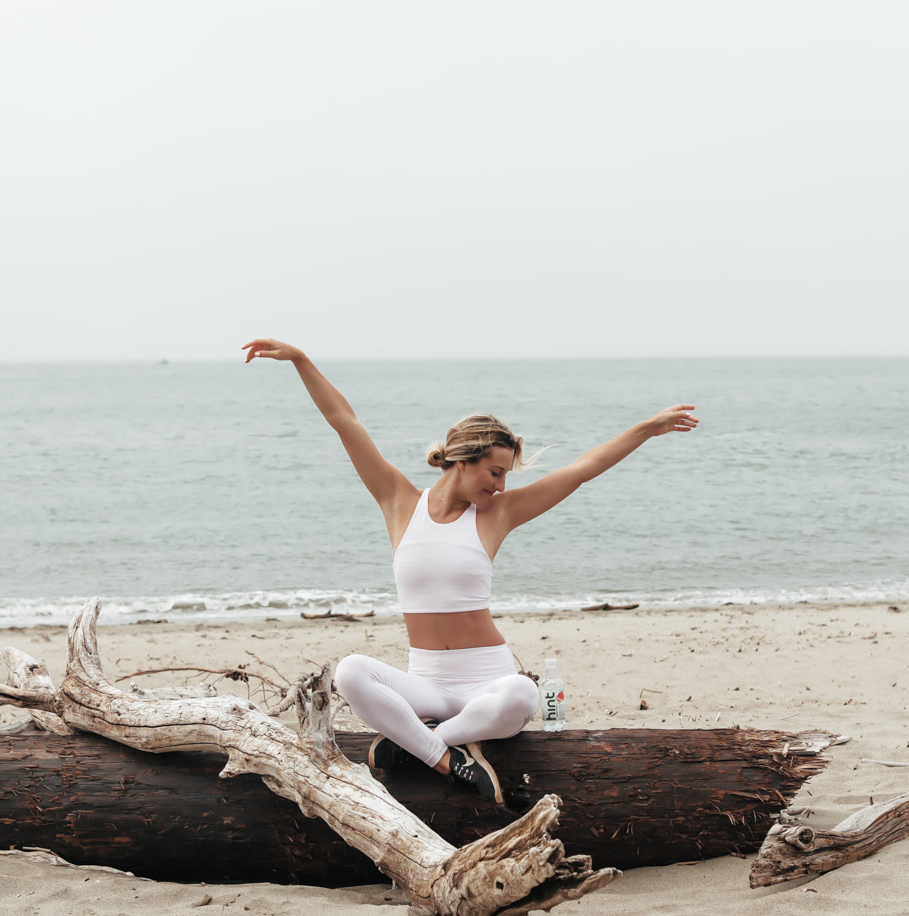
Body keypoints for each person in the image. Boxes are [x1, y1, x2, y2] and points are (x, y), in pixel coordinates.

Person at [243, 338, 698, 804]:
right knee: (352, 671)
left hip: (486, 678)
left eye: (505, 476)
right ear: (463, 460)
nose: (501, 485)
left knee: (523, 694)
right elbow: (346, 423)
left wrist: (646, 429)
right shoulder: (399, 501)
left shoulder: (497, 514)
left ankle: (418, 745)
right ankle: (446, 759)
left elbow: (581, 470)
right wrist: (301, 360)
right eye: (495, 472)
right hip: (427, 683)